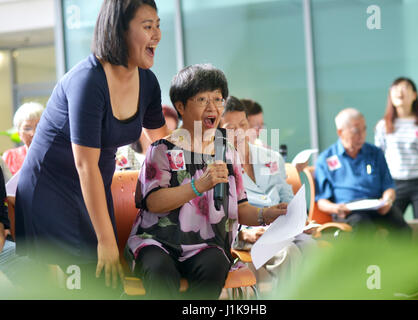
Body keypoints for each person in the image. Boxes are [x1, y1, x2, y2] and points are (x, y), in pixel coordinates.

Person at [14, 0, 169, 293]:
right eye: (148, 26)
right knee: (83, 283)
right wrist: (107, 240)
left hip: (94, 189)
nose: (157, 35)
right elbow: (84, 164)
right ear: (119, 31)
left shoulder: (147, 82)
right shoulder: (87, 81)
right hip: (52, 190)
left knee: (104, 285)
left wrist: (203, 140)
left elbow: (163, 141)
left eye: (158, 25)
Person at [125, 64, 287, 299]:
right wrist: (198, 186)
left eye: (218, 99)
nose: (213, 107)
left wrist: (266, 214)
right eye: (202, 99)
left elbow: (241, 208)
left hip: (207, 245)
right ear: (180, 106)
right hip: (157, 242)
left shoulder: (228, 150)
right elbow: (154, 202)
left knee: (215, 264)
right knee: (160, 271)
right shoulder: (161, 150)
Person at [221, 96, 307, 289]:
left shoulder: (270, 157)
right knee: (288, 253)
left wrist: (298, 217)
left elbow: (286, 195)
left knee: (313, 248)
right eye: (231, 128)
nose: (240, 132)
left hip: (281, 226)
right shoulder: (216, 166)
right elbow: (218, 215)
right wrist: (243, 235)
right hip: (248, 233)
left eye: (243, 124)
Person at [315, 108, 411, 237]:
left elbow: (389, 187)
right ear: (340, 132)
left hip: (377, 208)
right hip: (349, 212)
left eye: (364, 129)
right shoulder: (326, 159)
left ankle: (402, 257)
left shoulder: (375, 153)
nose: (362, 135)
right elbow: (322, 201)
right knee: (364, 227)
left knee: (402, 228)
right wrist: (336, 208)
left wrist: (387, 200)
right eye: (356, 131)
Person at [375, 78, 418, 219]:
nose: (399, 92)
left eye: (404, 88)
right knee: (393, 229)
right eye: (395, 88)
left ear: (414, 95)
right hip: (394, 184)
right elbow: (380, 154)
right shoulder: (383, 125)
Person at [2, 102, 44, 176]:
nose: (33, 133)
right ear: (19, 133)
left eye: (39, 127)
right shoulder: (10, 157)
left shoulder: (54, 155)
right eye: (27, 128)